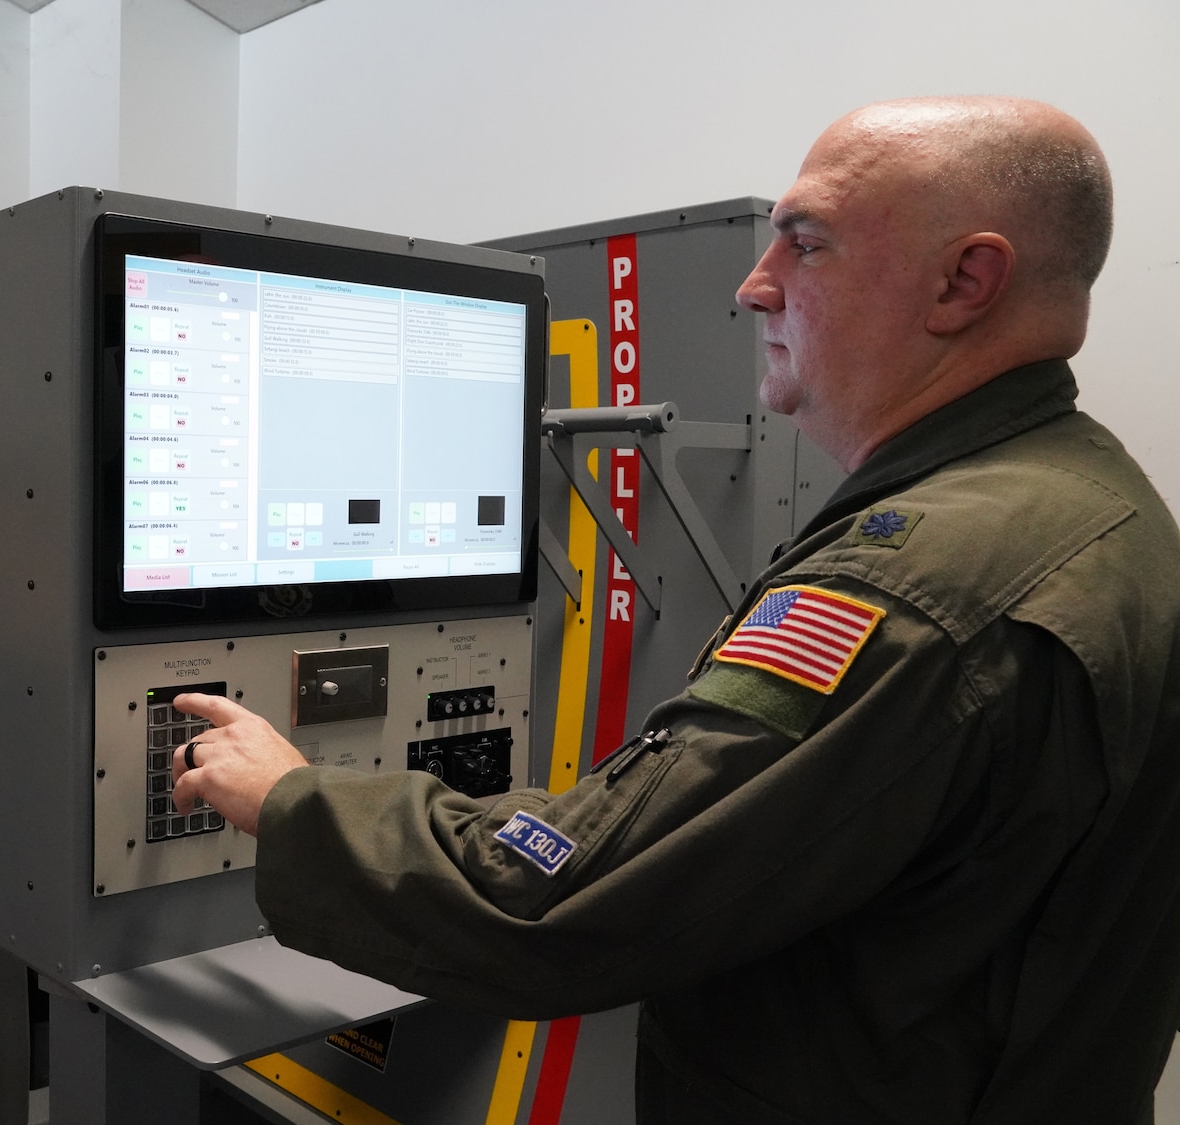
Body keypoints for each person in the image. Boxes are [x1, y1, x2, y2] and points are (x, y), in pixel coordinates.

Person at [172, 97, 1180, 1122]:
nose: (754, 286)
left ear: (962, 281)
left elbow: (551, 907)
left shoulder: (914, 589)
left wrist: (291, 798)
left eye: (805, 243)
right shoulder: (1100, 507)